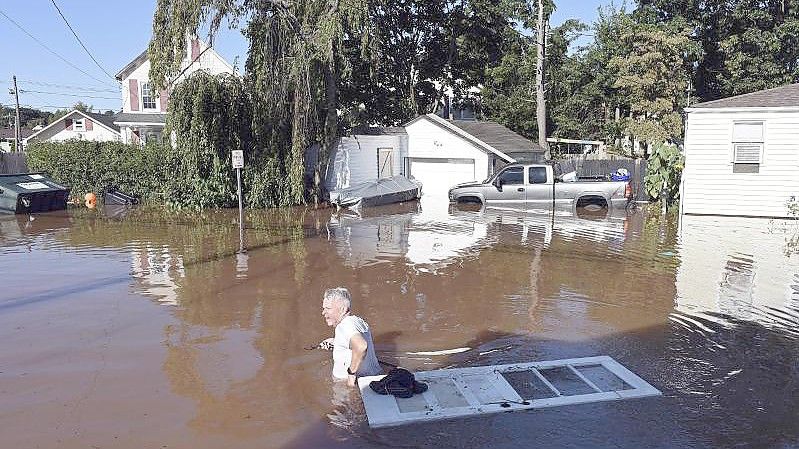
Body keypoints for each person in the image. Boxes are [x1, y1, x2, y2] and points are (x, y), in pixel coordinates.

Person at [320, 287, 382, 386]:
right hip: (373, 379)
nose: (323, 312)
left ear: (343, 309)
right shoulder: (359, 321)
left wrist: (351, 375)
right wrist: (335, 342)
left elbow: (361, 346)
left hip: (350, 387)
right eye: (323, 308)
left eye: (328, 308)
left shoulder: (344, 325)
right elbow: (353, 343)